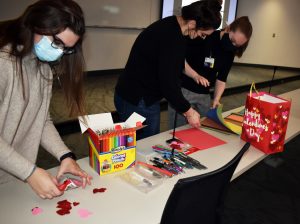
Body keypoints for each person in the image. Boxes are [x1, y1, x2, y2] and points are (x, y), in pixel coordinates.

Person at [0, 0, 92, 199]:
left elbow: (41, 120)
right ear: (37, 24)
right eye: (57, 43)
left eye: (66, 48)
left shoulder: (42, 68)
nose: (59, 52)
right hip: (18, 170)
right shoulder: (3, 63)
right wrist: (30, 173)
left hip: (12, 174)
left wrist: (65, 155)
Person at [114, 0, 222, 139]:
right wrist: (189, 111)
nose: (202, 38)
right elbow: (168, 83)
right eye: (203, 34)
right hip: (138, 99)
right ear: (193, 24)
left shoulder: (174, 26)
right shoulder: (172, 37)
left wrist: (194, 75)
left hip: (136, 95)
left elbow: (177, 61)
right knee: (145, 143)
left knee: (138, 142)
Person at [168, 16, 253, 128]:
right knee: (178, 131)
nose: (233, 46)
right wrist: (195, 75)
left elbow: (222, 79)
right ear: (228, 28)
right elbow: (180, 60)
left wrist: (216, 99)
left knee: (202, 131)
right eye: (232, 41)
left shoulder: (230, 53)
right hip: (184, 90)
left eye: (237, 45)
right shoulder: (206, 35)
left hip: (204, 95)